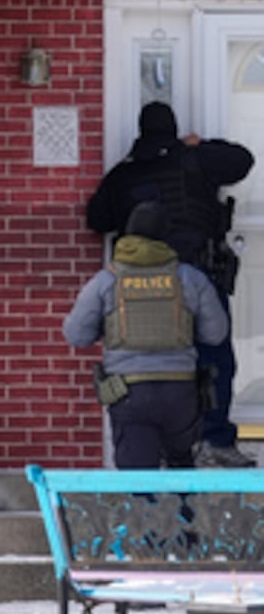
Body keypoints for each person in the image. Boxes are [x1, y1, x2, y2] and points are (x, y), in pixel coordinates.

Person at [86, 101, 256, 467]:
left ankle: (161, 445)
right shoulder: (193, 160)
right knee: (213, 358)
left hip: (137, 290)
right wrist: (198, 147)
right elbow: (243, 160)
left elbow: (96, 219)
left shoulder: (123, 175)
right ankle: (213, 441)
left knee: (151, 364)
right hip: (194, 277)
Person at [65, 201, 229, 468]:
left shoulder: (106, 281)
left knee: (137, 477)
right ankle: (182, 509)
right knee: (180, 471)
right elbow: (216, 334)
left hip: (128, 391)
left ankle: (145, 509)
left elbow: (76, 336)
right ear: (167, 238)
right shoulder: (190, 278)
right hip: (181, 392)